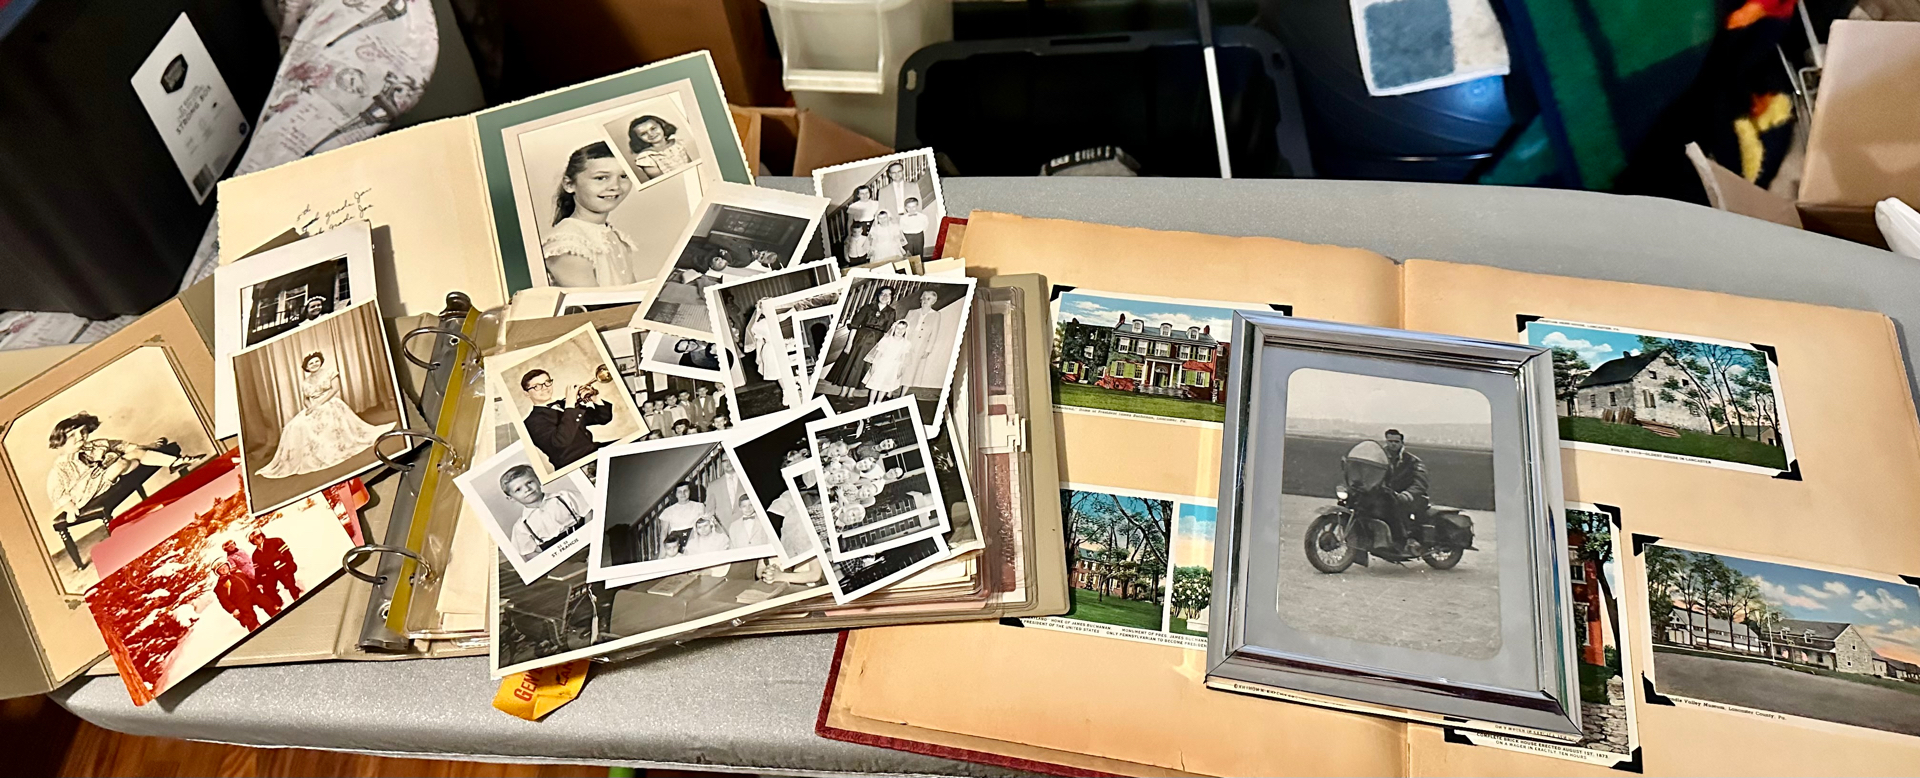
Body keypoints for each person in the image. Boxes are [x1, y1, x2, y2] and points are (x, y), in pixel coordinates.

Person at [45, 413, 199, 532]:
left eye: (82, 431)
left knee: (132, 454)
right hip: (87, 492)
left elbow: (121, 445)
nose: (80, 436)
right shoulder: (60, 467)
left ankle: (174, 462)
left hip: (109, 473)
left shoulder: (95, 445)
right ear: (59, 442)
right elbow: (57, 491)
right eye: (72, 435)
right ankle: (136, 459)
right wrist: (70, 508)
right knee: (120, 463)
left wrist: (145, 447)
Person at [257, 352, 393, 479]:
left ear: (321, 362)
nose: (314, 364)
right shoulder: (305, 382)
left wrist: (319, 404)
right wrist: (310, 407)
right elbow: (305, 399)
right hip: (314, 406)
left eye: (316, 361)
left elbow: (335, 389)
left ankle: (331, 447)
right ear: (306, 367)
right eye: (311, 363)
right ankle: (301, 455)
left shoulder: (330, 372)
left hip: (330, 402)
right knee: (294, 426)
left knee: (325, 419)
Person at [540, 142, 638, 287]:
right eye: (601, 178)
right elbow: (594, 300)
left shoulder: (614, 235)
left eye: (624, 176)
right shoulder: (568, 243)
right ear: (569, 184)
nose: (615, 186)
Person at [518, 368, 613, 472]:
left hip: (594, 451)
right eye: (537, 386)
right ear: (527, 393)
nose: (544, 388)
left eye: (547, 382)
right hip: (574, 464)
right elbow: (560, 442)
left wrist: (594, 397)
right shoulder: (530, 422)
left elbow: (603, 418)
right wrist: (570, 405)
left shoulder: (563, 405)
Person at [500, 464, 590, 559]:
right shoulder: (521, 527)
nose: (527, 489)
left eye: (529, 482)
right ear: (511, 498)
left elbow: (589, 512)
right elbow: (529, 553)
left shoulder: (565, 497)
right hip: (558, 559)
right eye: (518, 489)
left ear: (538, 480)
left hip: (586, 542)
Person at [827, 286, 899, 394]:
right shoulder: (867, 308)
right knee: (852, 364)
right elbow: (855, 325)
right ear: (878, 295)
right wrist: (849, 344)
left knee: (863, 367)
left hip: (876, 342)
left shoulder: (891, 312)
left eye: (888, 294)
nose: (885, 296)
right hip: (860, 340)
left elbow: (887, 332)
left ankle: (851, 393)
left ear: (891, 297)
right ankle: (843, 392)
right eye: (883, 293)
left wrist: (884, 348)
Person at [1378, 429, 1430, 547]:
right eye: (1390, 441)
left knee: (1398, 508)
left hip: (1412, 496)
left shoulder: (1412, 461)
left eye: (1396, 441)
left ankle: (1407, 539)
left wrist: (1407, 494)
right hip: (1388, 495)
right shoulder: (1380, 458)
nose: (1393, 444)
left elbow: (1421, 483)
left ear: (1402, 443)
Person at [626, 114, 698, 181]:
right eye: (643, 134)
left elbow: (691, 165)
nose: (651, 134)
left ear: (662, 126)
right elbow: (662, 181)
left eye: (653, 128)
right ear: (638, 138)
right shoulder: (646, 157)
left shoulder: (677, 144)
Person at [861, 320, 914, 405]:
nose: (900, 331)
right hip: (881, 365)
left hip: (893, 367)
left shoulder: (906, 343)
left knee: (885, 387)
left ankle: (878, 402)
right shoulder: (886, 340)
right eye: (898, 328)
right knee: (875, 385)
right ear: (894, 328)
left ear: (906, 330)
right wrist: (874, 365)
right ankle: (870, 403)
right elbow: (878, 354)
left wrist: (900, 369)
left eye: (903, 329)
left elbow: (903, 358)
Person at [901, 288, 943, 386]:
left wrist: (928, 350)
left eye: (928, 299)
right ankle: (890, 391)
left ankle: (903, 393)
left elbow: (934, 334)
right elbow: (903, 327)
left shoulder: (936, 315)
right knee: (900, 364)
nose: (925, 300)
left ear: (933, 302)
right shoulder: (912, 312)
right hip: (908, 340)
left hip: (921, 345)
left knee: (912, 368)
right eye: (924, 298)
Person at [248, 529, 302, 603]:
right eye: (254, 540)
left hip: (282, 567)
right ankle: (279, 602)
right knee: (268, 589)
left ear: (262, 535)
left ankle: (296, 598)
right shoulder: (255, 555)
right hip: (270, 573)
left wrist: (291, 564)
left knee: (289, 583)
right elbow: (258, 570)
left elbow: (287, 554)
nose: (257, 540)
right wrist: (259, 582)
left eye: (258, 537)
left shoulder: (276, 541)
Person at [655, 482, 707, 555]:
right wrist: (662, 551)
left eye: (685, 491)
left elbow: (705, 526)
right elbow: (664, 532)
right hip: (675, 546)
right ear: (676, 494)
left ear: (689, 492)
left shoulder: (699, 506)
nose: (683, 494)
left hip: (695, 542)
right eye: (679, 492)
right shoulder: (668, 511)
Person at [213, 561, 266, 631]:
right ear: (218, 573)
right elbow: (224, 600)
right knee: (248, 617)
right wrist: (233, 609)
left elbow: (249, 580)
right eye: (221, 569)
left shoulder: (237, 573)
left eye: (225, 566)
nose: (224, 569)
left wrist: (257, 584)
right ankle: (256, 629)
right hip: (241, 601)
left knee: (266, 601)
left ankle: (275, 613)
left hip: (251, 593)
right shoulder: (221, 585)